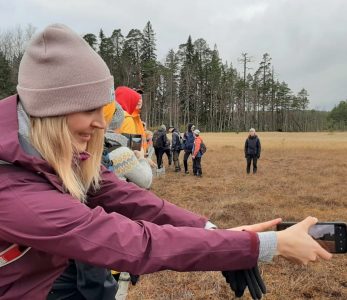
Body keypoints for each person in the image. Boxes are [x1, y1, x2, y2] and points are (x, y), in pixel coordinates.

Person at [0, 24, 332, 300]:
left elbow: (132, 198)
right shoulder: (15, 193)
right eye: (90, 111)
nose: (101, 124)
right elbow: (137, 244)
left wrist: (218, 233)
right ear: (52, 111)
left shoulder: (48, 153)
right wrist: (262, 245)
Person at [115, 86, 147, 152]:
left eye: (141, 98)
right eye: (136, 98)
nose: (139, 100)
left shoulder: (137, 119)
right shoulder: (128, 118)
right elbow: (133, 148)